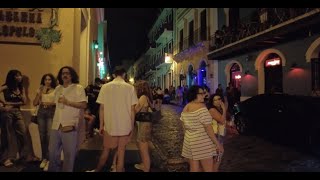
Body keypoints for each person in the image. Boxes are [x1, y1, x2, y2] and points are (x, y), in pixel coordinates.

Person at [88, 66, 138, 172]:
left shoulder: (105, 87)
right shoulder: (130, 88)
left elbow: (102, 108)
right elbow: (132, 110)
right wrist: (132, 126)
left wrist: (101, 125)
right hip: (125, 126)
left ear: (114, 75)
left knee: (105, 151)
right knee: (121, 154)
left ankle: (97, 170)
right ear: (124, 75)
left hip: (110, 125)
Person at [48, 66, 87, 172]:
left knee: (69, 155)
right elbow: (56, 105)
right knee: (52, 153)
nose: (65, 75)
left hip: (69, 125)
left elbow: (83, 105)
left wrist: (68, 102)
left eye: (68, 73)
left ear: (72, 75)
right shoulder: (57, 88)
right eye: (63, 73)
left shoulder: (78, 88)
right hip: (56, 125)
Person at [180, 85, 223, 172]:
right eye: (202, 93)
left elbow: (183, 126)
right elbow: (209, 129)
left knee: (194, 169)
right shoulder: (202, 108)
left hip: (190, 142)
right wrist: (217, 144)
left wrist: (190, 136)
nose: (204, 95)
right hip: (203, 143)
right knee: (208, 170)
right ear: (195, 95)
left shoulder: (186, 107)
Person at [0, 70, 35, 167]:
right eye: (17, 75)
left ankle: (23, 157)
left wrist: (9, 103)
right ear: (12, 77)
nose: (20, 77)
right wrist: (3, 104)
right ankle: (4, 158)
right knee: (6, 135)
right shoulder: (6, 87)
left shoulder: (20, 88)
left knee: (23, 133)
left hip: (17, 112)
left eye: (20, 75)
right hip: (7, 113)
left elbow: (24, 102)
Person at [33, 73, 57, 171]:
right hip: (41, 113)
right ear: (43, 81)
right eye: (45, 79)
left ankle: (50, 159)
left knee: (49, 136)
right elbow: (34, 103)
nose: (47, 81)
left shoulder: (56, 90)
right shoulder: (40, 89)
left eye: (49, 79)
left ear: (52, 81)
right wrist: (40, 93)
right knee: (42, 136)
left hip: (51, 112)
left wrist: (49, 103)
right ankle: (44, 158)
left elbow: (58, 103)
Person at [134, 80, 154, 172]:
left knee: (143, 147)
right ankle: (144, 164)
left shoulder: (142, 97)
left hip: (143, 124)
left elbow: (136, 110)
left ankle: (146, 167)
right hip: (146, 124)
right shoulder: (147, 97)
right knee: (144, 144)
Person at [207, 93, 227, 172]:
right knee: (218, 156)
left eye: (219, 99)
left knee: (217, 157)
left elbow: (222, 120)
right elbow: (222, 121)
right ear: (212, 102)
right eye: (215, 100)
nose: (217, 101)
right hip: (215, 136)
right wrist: (224, 109)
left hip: (219, 135)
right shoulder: (212, 110)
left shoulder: (218, 110)